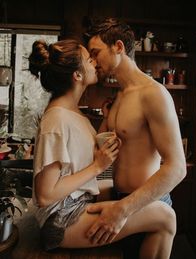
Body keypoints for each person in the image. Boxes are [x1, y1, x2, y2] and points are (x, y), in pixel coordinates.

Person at [29, 39, 176, 258]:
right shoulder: (56, 119)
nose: (95, 63)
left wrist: (107, 119)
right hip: (61, 220)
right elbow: (45, 194)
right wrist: (97, 167)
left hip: (75, 206)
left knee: (117, 187)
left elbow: (83, 147)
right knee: (166, 217)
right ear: (77, 75)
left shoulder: (72, 112)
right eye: (89, 59)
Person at [85, 17, 187, 252]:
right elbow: (106, 150)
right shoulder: (119, 96)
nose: (92, 61)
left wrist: (124, 209)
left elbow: (177, 167)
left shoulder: (154, 94)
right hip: (117, 200)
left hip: (146, 204)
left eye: (96, 53)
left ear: (118, 47)